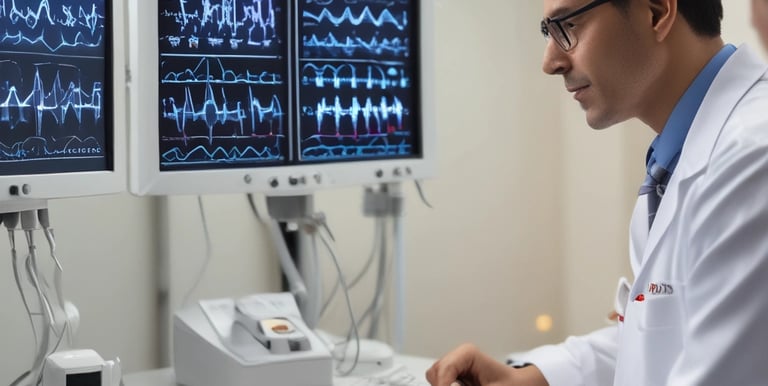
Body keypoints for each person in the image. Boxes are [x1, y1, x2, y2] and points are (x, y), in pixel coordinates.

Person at [426, 0, 768, 385]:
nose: (550, 61)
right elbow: (660, 337)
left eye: (569, 25)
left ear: (656, 13)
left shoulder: (752, 158)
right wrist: (535, 378)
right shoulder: (676, 159)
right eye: (548, 32)